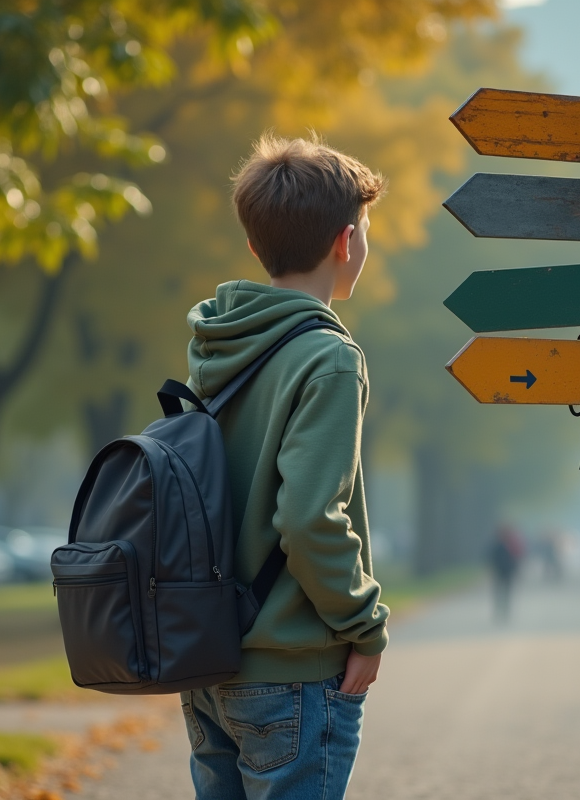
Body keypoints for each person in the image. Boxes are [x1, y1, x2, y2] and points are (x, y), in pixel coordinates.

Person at [178, 133, 389, 799]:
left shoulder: (220, 341)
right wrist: (365, 625)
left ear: (254, 246)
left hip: (211, 661)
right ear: (345, 241)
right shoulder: (328, 357)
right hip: (291, 671)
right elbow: (306, 518)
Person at [489, 524, 523, 621]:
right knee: (501, 591)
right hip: (500, 571)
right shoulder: (498, 545)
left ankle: (503, 609)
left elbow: (515, 557)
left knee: (504, 591)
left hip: (506, 571)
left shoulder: (506, 545)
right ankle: (501, 608)